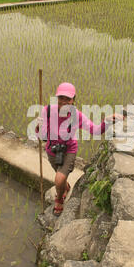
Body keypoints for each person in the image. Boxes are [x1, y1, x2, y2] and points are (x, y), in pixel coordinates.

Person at [36, 82, 123, 216]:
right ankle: (65, 188)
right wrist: (39, 126)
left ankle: (59, 199)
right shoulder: (47, 111)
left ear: (73, 100)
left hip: (69, 150)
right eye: (61, 98)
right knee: (61, 178)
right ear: (57, 98)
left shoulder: (77, 116)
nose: (64, 102)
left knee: (59, 179)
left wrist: (107, 121)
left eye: (68, 99)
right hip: (52, 150)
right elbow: (42, 136)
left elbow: (96, 130)